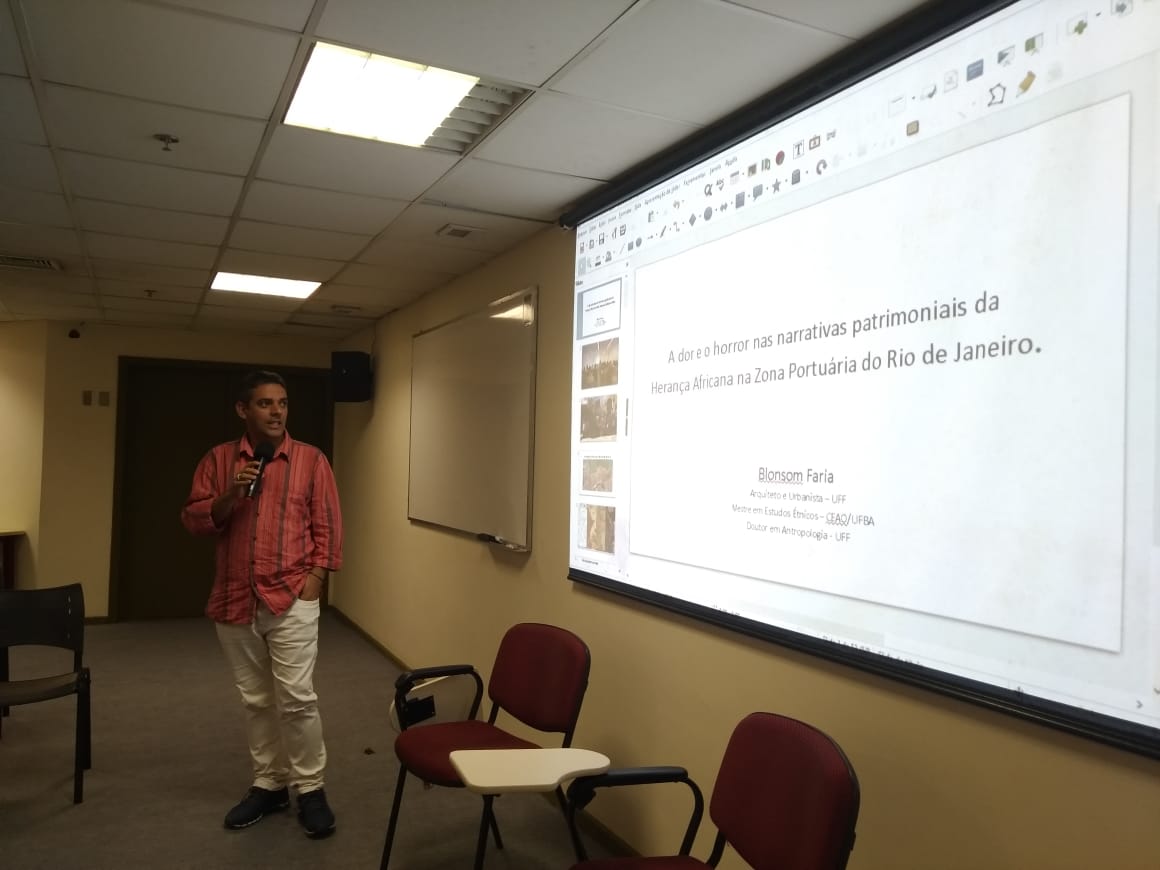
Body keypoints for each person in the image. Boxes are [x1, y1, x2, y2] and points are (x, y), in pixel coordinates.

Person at [181, 369, 343, 839]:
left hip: (291, 596)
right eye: (266, 403)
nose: (276, 412)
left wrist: (315, 580)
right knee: (256, 701)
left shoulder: (311, 460)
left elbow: (328, 525)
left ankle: (310, 788)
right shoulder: (217, 460)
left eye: (283, 403)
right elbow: (193, 519)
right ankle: (269, 784)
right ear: (243, 409)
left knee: (297, 700)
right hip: (234, 599)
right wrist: (231, 494)